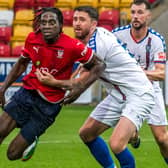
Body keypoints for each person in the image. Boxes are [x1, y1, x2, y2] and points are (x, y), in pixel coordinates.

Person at [0, 7, 105, 161]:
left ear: (61, 26)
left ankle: (31, 139)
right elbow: (21, 63)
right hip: (27, 92)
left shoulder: (72, 46)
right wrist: (3, 88)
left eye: (51, 22)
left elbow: (100, 65)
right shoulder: (32, 38)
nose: (47, 26)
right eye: (43, 22)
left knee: (12, 154)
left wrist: (79, 88)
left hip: (48, 106)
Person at [70, 5, 155, 168]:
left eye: (82, 20)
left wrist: (56, 88)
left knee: (116, 144)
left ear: (93, 24)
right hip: (118, 95)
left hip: (139, 94)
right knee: (86, 134)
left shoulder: (98, 44)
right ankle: (130, 139)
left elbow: (83, 79)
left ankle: (132, 134)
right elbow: (81, 68)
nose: (77, 24)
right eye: (74, 19)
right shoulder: (91, 40)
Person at [112, 0, 168, 164]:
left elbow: (161, 73)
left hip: (150, 91)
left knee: (162, 139)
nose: (135, 16)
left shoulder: (156, 40)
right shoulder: (116, 35)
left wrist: (138, 73)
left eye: (140, 12)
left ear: (149, 16)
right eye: (133, 12)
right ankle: (134, 136)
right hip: (127, 91)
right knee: (125, 137)